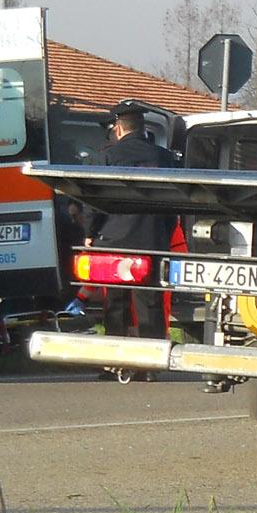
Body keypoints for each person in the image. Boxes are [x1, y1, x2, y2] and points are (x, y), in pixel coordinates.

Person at [86, 102, 176, 368]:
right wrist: (164, 233)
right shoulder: (164, 158)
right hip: (152, 240)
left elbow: (94, 200)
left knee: (115, 302)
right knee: (150, 302)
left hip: (114, 241)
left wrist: (89, 234)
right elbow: (175, 202)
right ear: (141, 126)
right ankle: (151, 366)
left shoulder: (107, 157)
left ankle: (116, 362)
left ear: (119, 127)